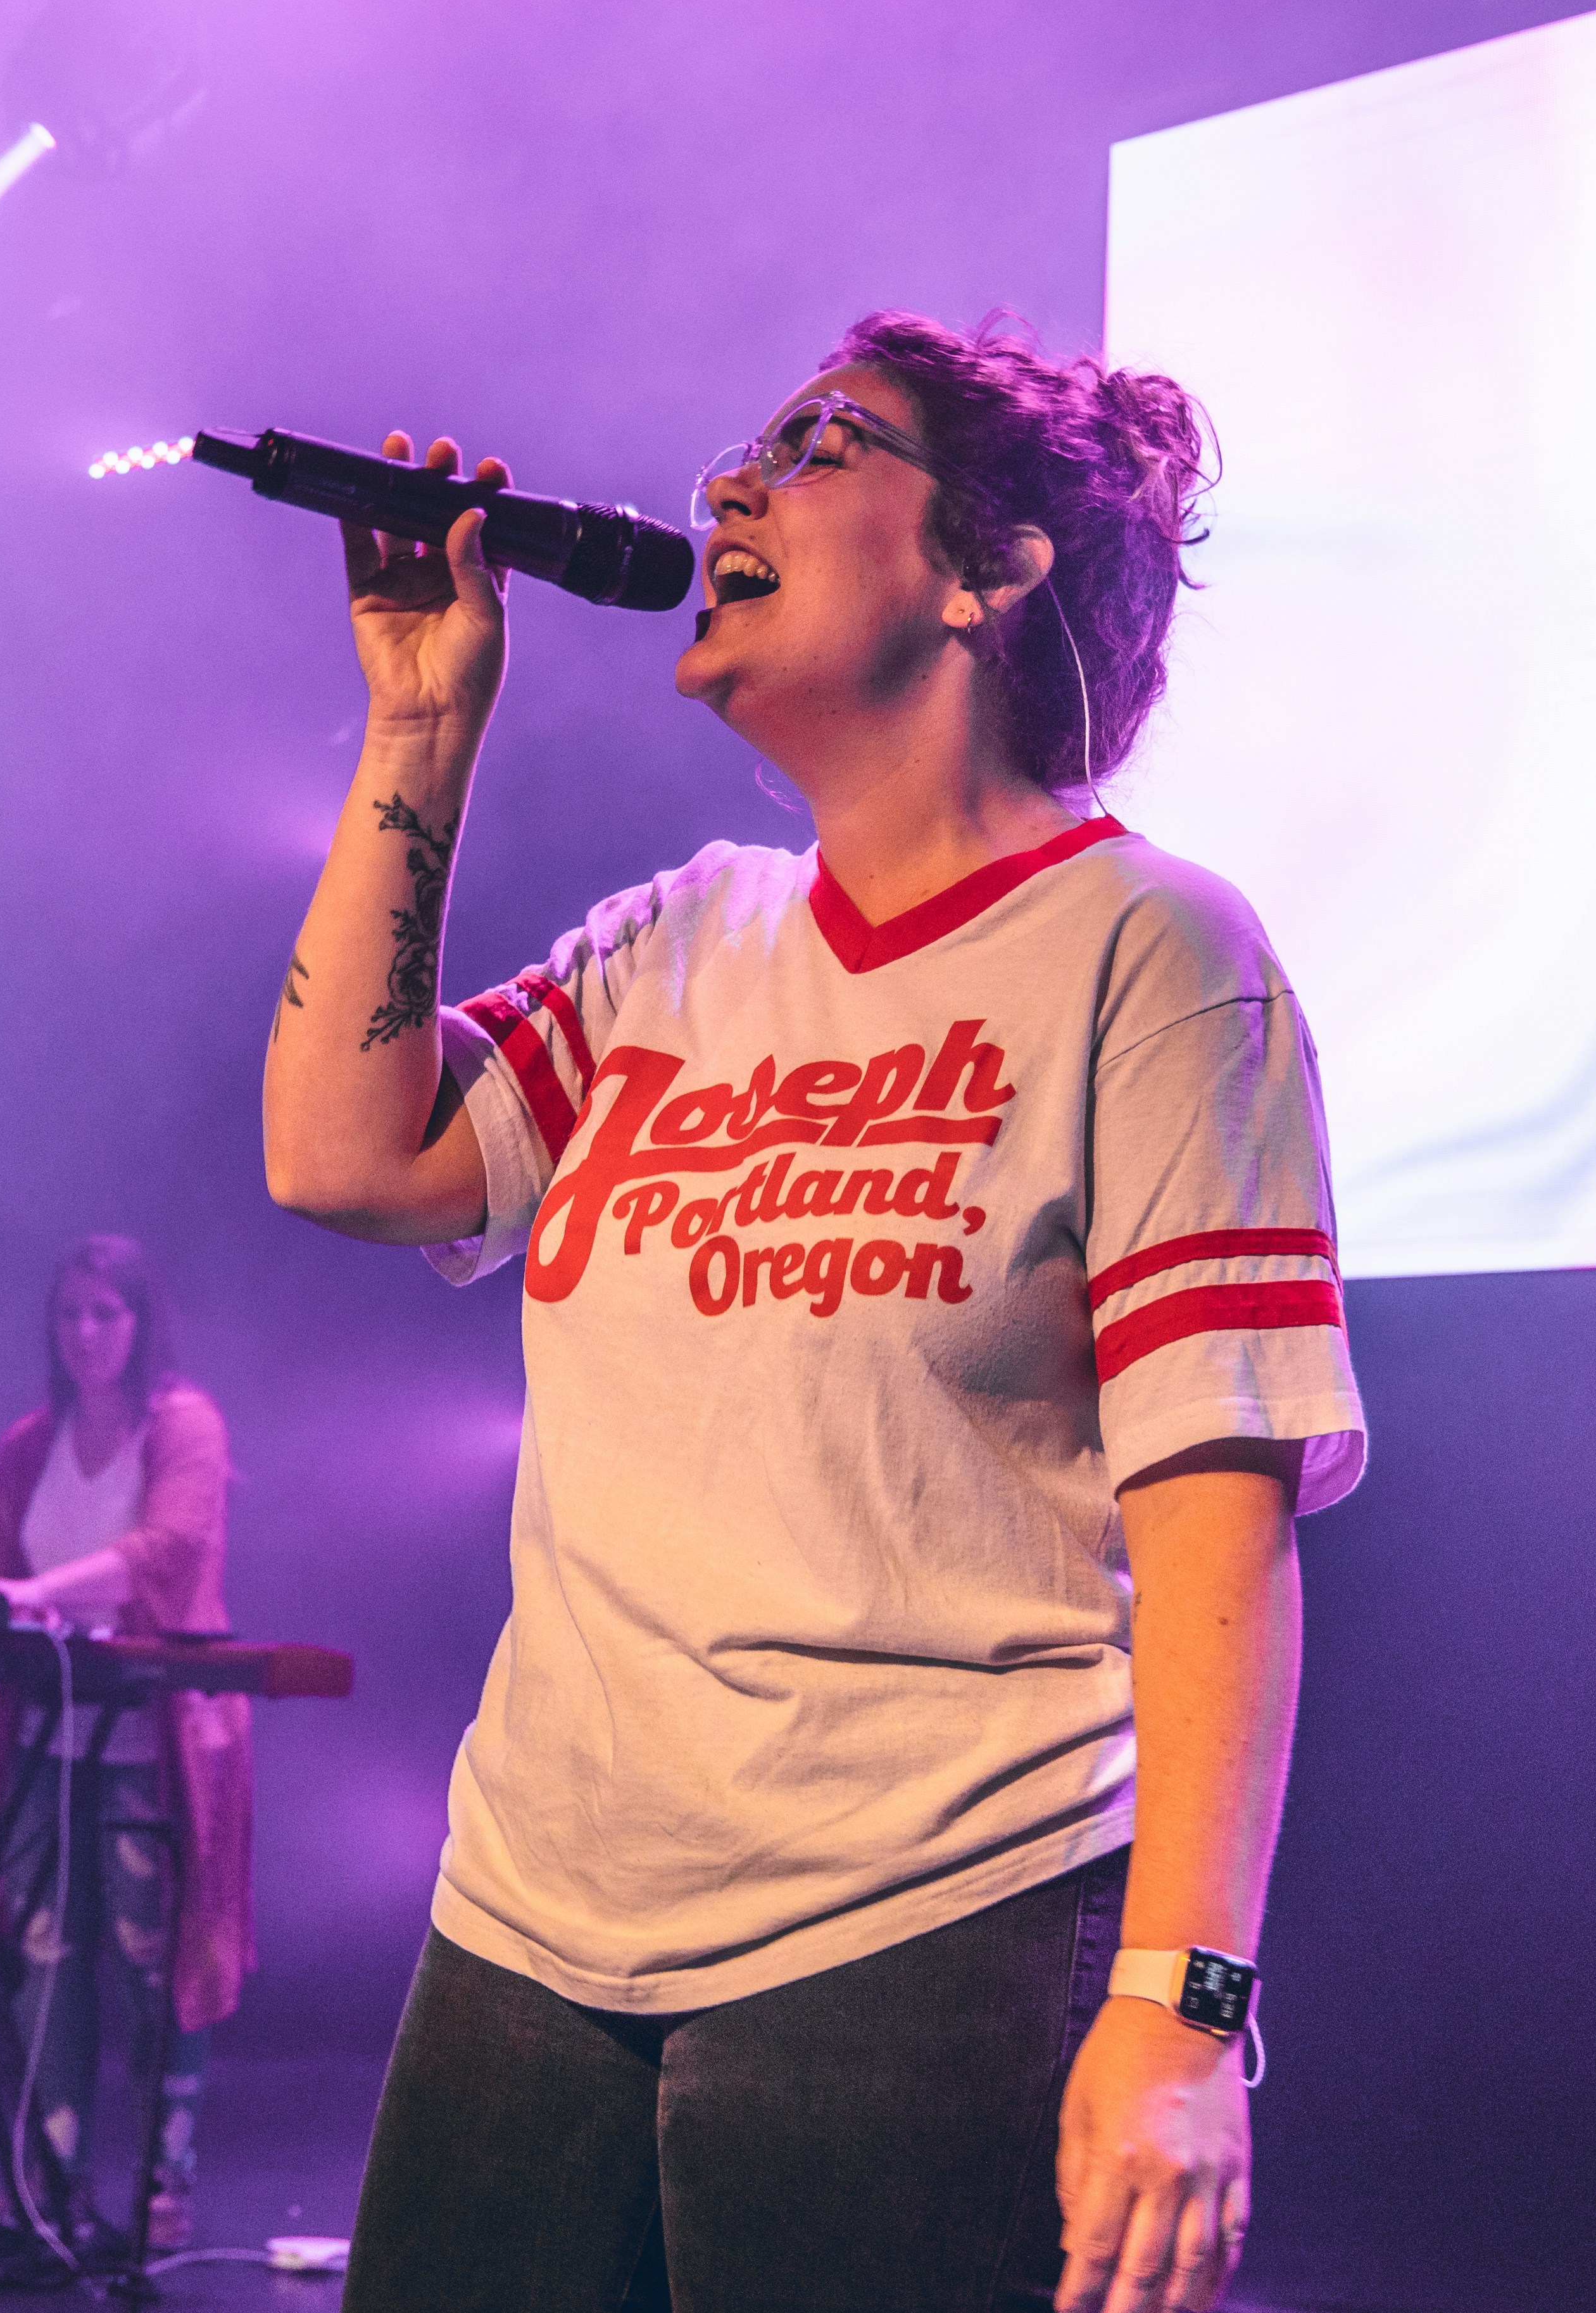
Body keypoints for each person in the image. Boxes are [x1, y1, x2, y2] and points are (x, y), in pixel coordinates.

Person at [263, 312, 1366, 2313]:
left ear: (991, 567)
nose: (726, 487)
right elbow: (345, 1153)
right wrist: (422, 725)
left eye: (821, 444)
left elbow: (1222, 1517)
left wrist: (1182, 2015)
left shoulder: (1152, 947)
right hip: (526, 1936)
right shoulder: (683, 935)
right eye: (744, 447)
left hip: (927, 1937)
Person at [0, 1233, 251, 2248]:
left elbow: (167, 1549)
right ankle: (49, 2181)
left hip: (153, 1734)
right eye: (70, 1314)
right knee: (44, 1956)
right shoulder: (27, 1443)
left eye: (106, 1313)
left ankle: (161, 2186)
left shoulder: (185, 1425)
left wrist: (43, 1592)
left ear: (141, 1323)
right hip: (51, 1733)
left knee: (153, 1955)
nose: (86, 1334)